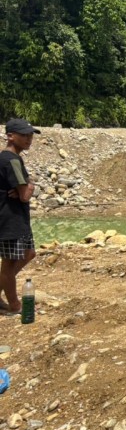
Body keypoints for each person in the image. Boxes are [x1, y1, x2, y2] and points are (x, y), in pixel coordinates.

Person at [0, 119, 40, 315]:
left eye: (30, 135)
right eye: (24, 135)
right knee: (8, 264)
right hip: (10, 218)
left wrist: (23, 189)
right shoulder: (12, 160)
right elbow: (24, 195)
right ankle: (15, 305)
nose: (29, 139)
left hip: (17, 217)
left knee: (29, 253)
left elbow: (21, 192)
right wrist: (30, 186)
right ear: (10, 136)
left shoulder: (8, 158)